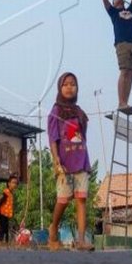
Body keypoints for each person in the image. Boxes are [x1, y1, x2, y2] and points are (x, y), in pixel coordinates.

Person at [47, 72, 93, 251]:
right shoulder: (56, 110)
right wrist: (56, 159)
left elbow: (83, 137)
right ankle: (53, 227)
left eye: (73, 84)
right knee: (64, 200)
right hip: (64, 163)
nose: (69, 87)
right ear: (60, 87)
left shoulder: (79, 111)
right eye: (65, 84)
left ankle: (81, 240)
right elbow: (53, 137)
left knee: (81, 199)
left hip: (81, 161)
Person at [102, 0, 132, 110]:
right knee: (124, 71)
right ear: (114, 4)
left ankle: (125, 102)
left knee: (131, 72)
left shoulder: (130, 11)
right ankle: (121, 102)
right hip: (122, 43)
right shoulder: (113, 12)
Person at [0, 174, 18, 244]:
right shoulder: (6, 192)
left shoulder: (11, 193)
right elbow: (0, 199)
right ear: (9, 184)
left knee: (6, 227)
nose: (15, 184)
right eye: (13, 182)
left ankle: (6, 241)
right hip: (2, 212)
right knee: (3, 227)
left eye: (16, 183)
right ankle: (0, 241)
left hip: (6, 214)